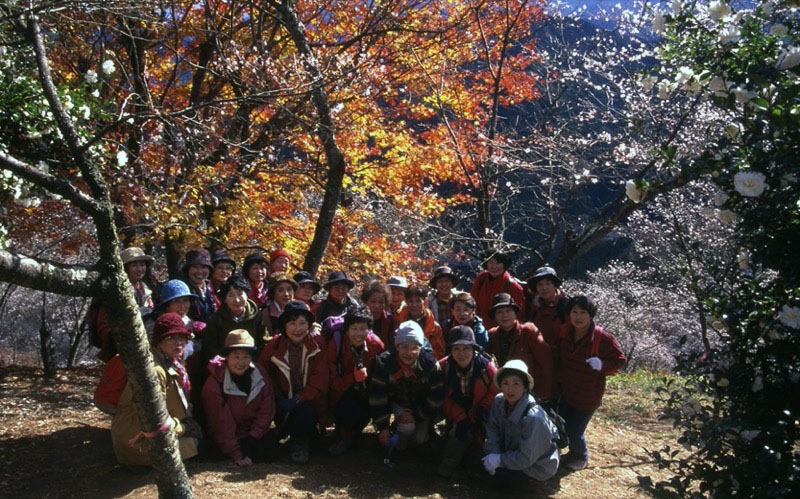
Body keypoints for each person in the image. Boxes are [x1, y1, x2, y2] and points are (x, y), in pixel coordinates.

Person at [111, 313, 200, 467]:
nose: (178, 343)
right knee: (194, 444)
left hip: (151, 430)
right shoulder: (155, 370)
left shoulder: (173, 361)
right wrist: (183, 428)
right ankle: (139, 465)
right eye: (170, 338)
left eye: (181, 338)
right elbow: (154, 416)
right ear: (158, 342)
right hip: (137, 437)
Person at [556, 295, 626, 471]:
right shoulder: (565, 331)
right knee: (561, 424)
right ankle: (571, 453)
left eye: (583, 312)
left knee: (575, 430)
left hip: (588, 395)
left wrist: (602, 365)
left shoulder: (602, 338)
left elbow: (619, 360)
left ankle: (581, 456)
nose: (578, 317)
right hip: (567, 390)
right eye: (574, 312)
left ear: (591, 315)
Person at [257, 300, 328, 464]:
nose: (298, 329)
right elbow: (263, 372)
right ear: (284, 326)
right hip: (282, 399)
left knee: (305, 413)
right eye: (292, 323)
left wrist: (297, 399)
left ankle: (301, 442)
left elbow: (320, 381)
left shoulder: (318, 344)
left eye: (303, 323)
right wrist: (275, 394)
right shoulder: (274, 345)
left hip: (310, 402)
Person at [202, 329, 278, 466]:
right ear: (227, 357)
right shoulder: (214, 384)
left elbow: (267, 410)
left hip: (253, 434)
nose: (241, 362)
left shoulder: (260, 373)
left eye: (246, 357)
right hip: (229, 435)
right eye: (236, 356)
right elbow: (221, 422)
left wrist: (253, 438)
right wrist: (237, 453)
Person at [369, 321, 444, 451]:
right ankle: (398, 445)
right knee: (407, 428)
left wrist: (416, 415)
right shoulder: (384, 362)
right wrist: (383, 427)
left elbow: (435, 398)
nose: (409, 352)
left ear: (420, 348)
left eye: (414, 347)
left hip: (421, 406)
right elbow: (377, 396)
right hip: (398, 402)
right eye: (404, 346)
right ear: (397, 346)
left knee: (419, 439)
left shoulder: (431, 365)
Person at [482, 359, 560, 485]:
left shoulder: (534, 417)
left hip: (536, 466)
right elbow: (493, 429)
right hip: (511, 453)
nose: (510, 389)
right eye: (505, 383)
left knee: (498, 480)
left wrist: (499, 460)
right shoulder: (499, 401)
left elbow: (526, 458)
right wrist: (493, 454)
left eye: (516, 384)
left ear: (525, 387)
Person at [437, 326, 498, 478]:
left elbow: (496, 391)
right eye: (456, 349)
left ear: (474, 349)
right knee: (460, 432)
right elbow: (441, 396)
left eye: (466, 348)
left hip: (481, 412)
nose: (462, 353)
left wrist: (483, 408)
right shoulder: (443, 367)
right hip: (457, 413)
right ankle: (447, 467)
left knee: (480, 442)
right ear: (450, 350)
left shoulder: (486, 367)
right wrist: (460, 417)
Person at [327, 307, 385, 455]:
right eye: (354, 329)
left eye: (363, 329)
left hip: (368, 390)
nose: (359, 334)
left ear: (369, 329)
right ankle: (344, 434)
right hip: (343, 393)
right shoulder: (336, 345)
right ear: (346, 330)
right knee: (348, 407)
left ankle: (354, 432)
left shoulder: (376, 345)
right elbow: (332, 382)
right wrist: (353, 378)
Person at [487, 293, 555, 405]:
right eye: (499, 312)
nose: (504, 316)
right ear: (494, 316)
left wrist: (544, 395)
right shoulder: (492, 335)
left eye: (508, 311)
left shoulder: (528, 331)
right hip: (506, 392)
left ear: (515, 313)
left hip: (530, 392)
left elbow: (546, 364)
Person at [94, 246, 156, 362]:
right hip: (123, 348)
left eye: (142, 265)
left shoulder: (145, 289)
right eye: (134, 265)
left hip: (145, 345)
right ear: (126, 268)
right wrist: (116, 341)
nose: (139, 269)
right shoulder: (115, 292)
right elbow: (103, 323)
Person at [202, 276, 267, 368]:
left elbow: (263, 342)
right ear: (224, 299)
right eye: (231, 295)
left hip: (253, 365)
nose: (237, 300)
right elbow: (210, 348)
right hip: (225, 367)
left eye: (240, 294)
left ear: (247, 294)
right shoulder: (216, 320)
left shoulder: (257, 316)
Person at [470, 249, 525, 329]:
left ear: (504, 265)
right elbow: (472, 303)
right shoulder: (481, 279)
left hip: (502, 332)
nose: (494, 266)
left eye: (498, 263)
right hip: (480, 329)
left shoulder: (513, 286)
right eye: (491, 262)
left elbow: (519, 315)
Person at [396, 284, 446, 359]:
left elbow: (440, 353)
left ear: (424, 301)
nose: (414, 305)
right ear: (405, 301)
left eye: (418, 301)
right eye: (410, 301)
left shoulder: (435, 327)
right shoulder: (398, 321)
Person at [525, 266, 569, 346]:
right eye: (540, 284)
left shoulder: (566, 305)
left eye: (548, 283)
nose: (544, 288)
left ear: (555, 285)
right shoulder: (533, 307)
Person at [182, 249, 216, 323]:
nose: (200, 271)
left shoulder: (213, 289)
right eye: (195, 267)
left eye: (204, 267)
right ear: (188, 269)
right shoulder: (182, 291)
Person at [361, 280, 396, 350]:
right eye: (373, 301)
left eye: (381, 302)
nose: (377, 306)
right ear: (366, 301)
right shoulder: (357, 319)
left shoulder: (392, 322)